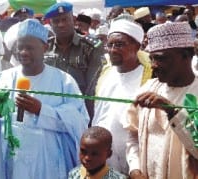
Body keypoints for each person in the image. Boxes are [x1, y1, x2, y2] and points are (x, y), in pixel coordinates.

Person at [0, 19, 89, 179]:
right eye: (20, 48)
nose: (24, 52)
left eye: (30, 48)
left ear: (45, 48)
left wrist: (42, 111)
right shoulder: (2, 80)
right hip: (13, 159)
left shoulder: (64, 81)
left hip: (48, 159)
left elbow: (80, 121)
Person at [125, 22, 198, 179]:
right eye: (151, 58)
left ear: (186, 55)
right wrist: (135, 168)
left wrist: (172, 111)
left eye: (160, 59)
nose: (153, 66)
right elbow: (132, 136)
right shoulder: (147, 89)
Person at [92, 18, 152, 175]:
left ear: (137, 46)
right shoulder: (106, 73)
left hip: (136, 162)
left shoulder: (149, 78)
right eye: (109, 44)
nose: (112, 50)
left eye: (119, 44)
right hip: (104, 160)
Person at [43, 2, 104, 120]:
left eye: (65, 19)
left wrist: (88, 118)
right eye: (56, 21)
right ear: (50, 24)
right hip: (50, 110)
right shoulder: (45, 47)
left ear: (74, 20)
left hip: (81, 110)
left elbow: (92, 88)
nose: (61, 24)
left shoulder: (90, 47)